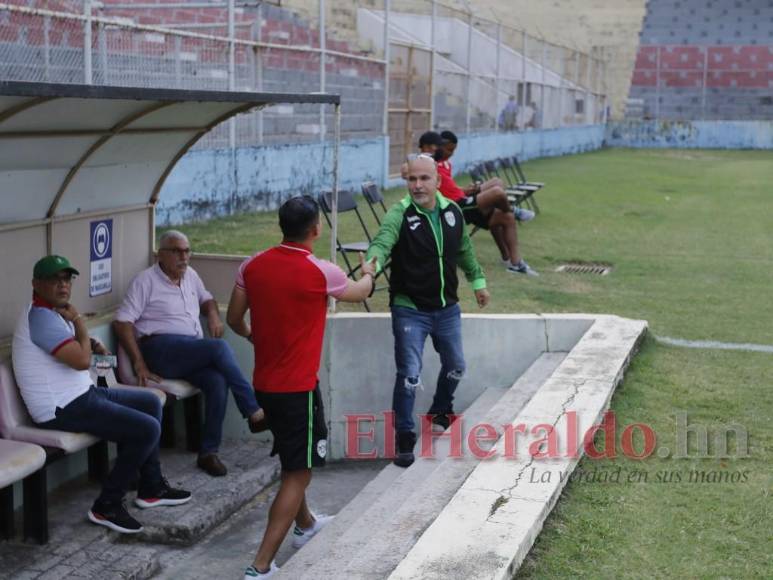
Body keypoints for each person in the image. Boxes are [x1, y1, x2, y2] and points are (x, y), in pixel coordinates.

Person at [227, 196, 376, 579]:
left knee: (294, 458)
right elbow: (359, 293)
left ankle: (306, 525)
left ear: (281, 225)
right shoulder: (322, 272)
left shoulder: (252, 265)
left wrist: (254, 337)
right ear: (316, 229)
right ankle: (259, 567)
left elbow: (233, 318)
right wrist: (370, 273)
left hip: (264, 386)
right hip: (298, 392)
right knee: (299, 472)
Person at [12, 255, 191, 534]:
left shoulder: (54, 313)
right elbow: (81, 362)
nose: (63, 285)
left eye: (67, 279)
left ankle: (150, 487)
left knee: (150, 401)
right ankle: (107, 504)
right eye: (54, 280)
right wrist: (81, 325)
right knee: (146, 429)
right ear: (36, 284)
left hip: (82, 394)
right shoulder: (42, 317)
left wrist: (89, 343)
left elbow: (76, 354)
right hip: (61, 408)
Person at [366, 155, 491, 468]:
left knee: (457, 366)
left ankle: (440, 410)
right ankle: (405, 437)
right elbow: (383, 241)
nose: (418, 185)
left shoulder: (452, 212)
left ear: (438, 181)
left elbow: (464, 249)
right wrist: (373, 264)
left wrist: (478, 281)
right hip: (410, 309)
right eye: (412, 179)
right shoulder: (400, 212)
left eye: (424, 179)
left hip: (447, 307)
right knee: (409, 374)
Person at [113, 230, 266, 478]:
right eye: (176, 251)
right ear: (161, 255)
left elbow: (207, 300)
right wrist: (138, 362)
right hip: (159, 349)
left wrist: (214, 314)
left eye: (187, 251)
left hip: (187, 351)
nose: (183, 257)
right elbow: (121, 323)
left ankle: (208, 452)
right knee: (218, 348)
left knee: (217, 381)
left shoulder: (190, 275)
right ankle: (252, 408)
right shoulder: (146, 281)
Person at [437, 130, 538, 276]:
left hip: (463, 199)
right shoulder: (430, 165)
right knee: (497, 192)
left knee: (501, 197)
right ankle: (513, 210)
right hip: (457, 208)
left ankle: (512, 262)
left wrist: (467, 189)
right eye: (449, 149)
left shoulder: (446, 165)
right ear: (439, 146)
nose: (451, 153)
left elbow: (449, 189)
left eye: (453, 150)